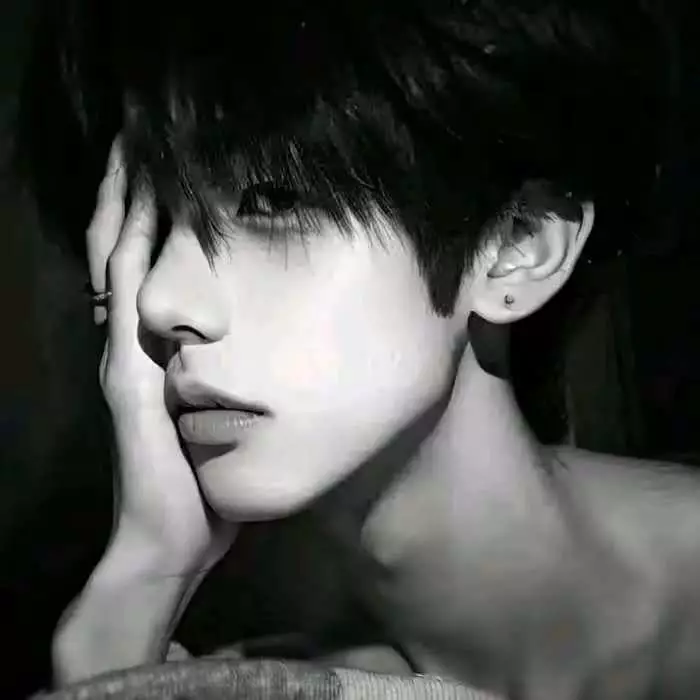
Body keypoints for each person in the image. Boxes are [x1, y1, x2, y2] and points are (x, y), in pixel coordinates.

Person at [16, 0, 699, 698]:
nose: (159, 300)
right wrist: (140, 578)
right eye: (152, 228)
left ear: (517, 247)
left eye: (273, 201)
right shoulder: (267, 677)